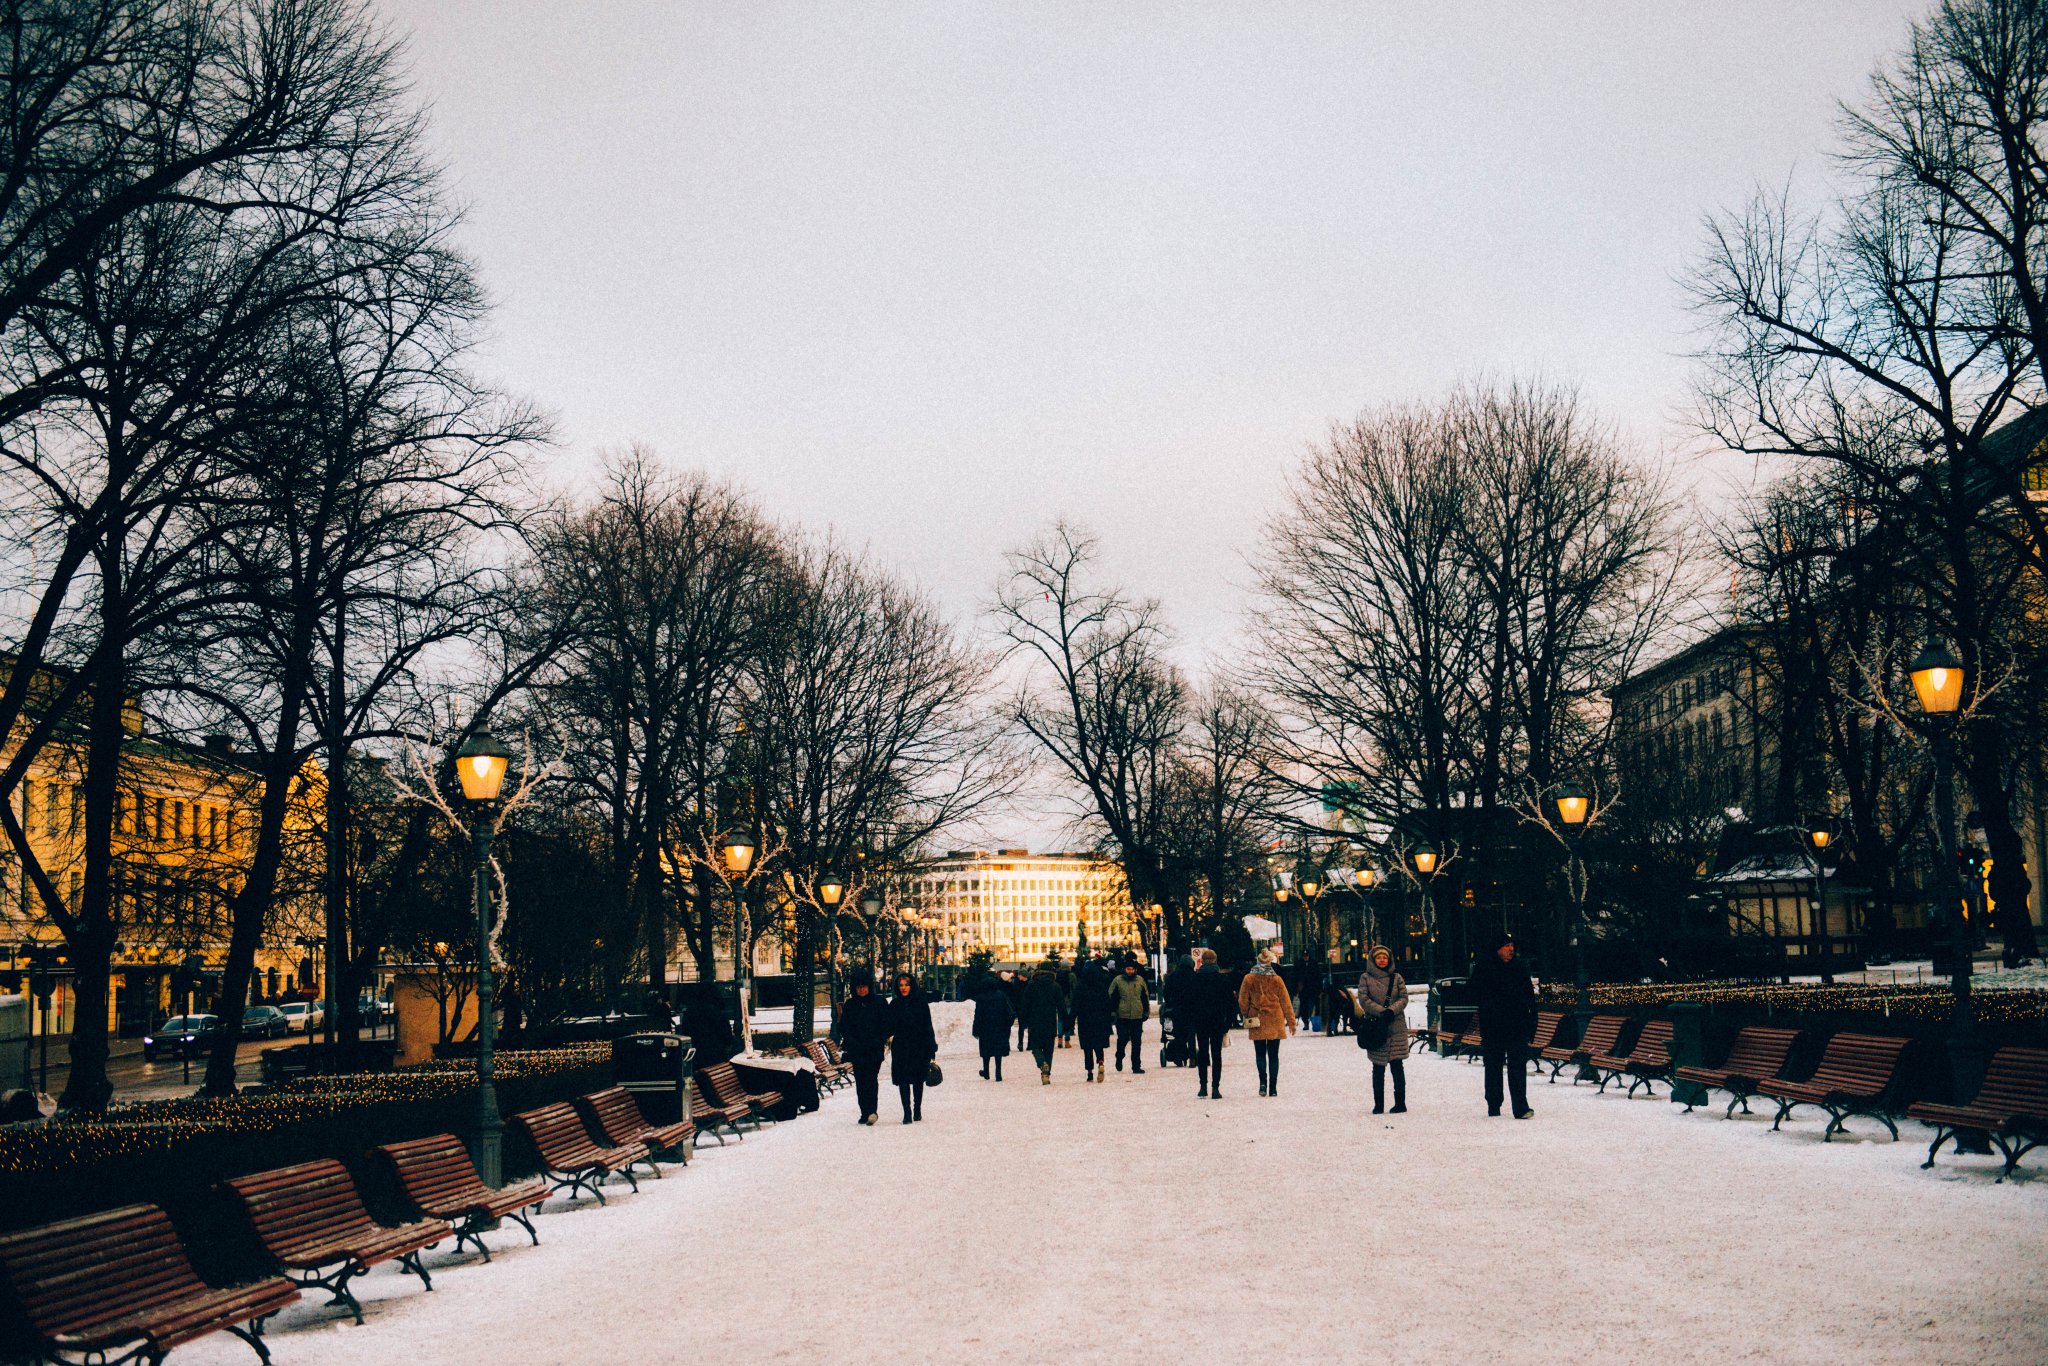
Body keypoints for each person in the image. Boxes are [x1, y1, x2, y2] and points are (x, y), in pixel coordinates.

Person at [1469, 930, 1536, 1119]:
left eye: (1512, 945)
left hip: (1517, 1025)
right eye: (1507, 946)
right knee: (1493, 1066)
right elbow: (1473, 993)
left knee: (1517, 1067)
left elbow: (1529, 996)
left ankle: (1520, 1107)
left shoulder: (1520, 967)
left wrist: (1531, 1022)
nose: (1511, 949)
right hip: (1493, 1026)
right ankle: (1494, 1104)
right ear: (1497, 949)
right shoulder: (1485, 967)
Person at [1357, 944, 1410, 1114]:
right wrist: (1381, 1012)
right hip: (1376, 1027)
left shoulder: (1397, 978)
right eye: (1378, 957)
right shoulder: (1365, 978)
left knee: (1397, 1066)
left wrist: (1392, 1011)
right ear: (1373, 960)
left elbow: (1404, 997)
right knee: (1378, 1067)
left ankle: (1400, 1103)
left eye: (1384, 957)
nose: (1382, 960)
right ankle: (1378, 1104)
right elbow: (1363, 999)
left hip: (1396, 1027)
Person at [1237, 949, 1297, 1097]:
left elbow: (1242, 1000)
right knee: (1274, 1055)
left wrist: (1246, 1014)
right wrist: (1291, 1022)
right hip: (1275, 1019)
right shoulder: (1277, 979)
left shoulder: (1249, 979)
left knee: (1260, 1053)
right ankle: (1274, 1088)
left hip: (1256, 1019)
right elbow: (1286, 1002)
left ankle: (1263, 1083)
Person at [1181, 948, 1236, 1098]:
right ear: (1215, 961)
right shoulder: (1223, 980)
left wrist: (1192, 1020)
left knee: (1203, 1053)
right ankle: (1215, 1088)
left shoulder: (1195, 979)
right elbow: (1232, 1004)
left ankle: (1203, 1086)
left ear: (1202, 962)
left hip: (1201, 1022)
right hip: (1218, 1022)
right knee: (1217, 1054)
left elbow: (1189, 1002)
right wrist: (1228, 1023)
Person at [838, 967, 890, 1125]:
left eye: (864, 986)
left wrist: (878, 1040)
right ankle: (864, 1111)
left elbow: (886, 1025)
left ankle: (872, 1110)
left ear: (869, 986)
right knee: (860, 1081)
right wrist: (853, 1041)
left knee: (871, 1079)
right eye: (858, 987)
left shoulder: (879, 1003)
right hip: (857, 1049)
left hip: (874, 1048)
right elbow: (844, 1028)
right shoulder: (850, 1005)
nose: (861, 989)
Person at [888, 971, 937, 1124]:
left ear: (912, 986)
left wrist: (931, 1045)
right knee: (902, 1080)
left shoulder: (920, 1002)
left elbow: (928, 1025)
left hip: (919, 1046)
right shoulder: (894, 1004)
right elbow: (889, 1026)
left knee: (917, 1079)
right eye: (901, 985)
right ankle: (906, 1112)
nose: (903, 988)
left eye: (906, 985)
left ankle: (917, 1109)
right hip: (901, 1047)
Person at [1073, 954, 1113, 1081]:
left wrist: (1070, 1020)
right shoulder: (1101, 987)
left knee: (1087, 1048)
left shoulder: (1081, 987)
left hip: (1085, 1022)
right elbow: (1108, 1005)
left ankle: (1090, 1072)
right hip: (1100, 1021)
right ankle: (1101, 1062)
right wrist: (1108, 1020)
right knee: (1099, 1045)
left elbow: (1075, 1006)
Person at [1024, 961, 1064, 1084]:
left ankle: (1042, 1063)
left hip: (1035, 1020)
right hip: (1050, 1020)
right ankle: (1046, 1074)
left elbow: (1025, 1004)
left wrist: (1024, 1019)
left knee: (1035, 1046)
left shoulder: (1031, 985)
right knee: (1048, 1049)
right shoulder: (1055, 985)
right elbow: (1061, 1005)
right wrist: (1066, 1020)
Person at [1108, 960, 1150, 1073]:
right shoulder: (1118, 980)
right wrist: (1112, 1011)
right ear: (1124, 969)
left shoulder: (1140, 980)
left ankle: (1136, 1066)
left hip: (1137, 1014)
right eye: (1128, 969)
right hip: (1123, 1015)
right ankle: (1119, 1057)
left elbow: (1145, 996)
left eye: (1132, 969)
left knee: (1136, 1042)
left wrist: (1146, 1011)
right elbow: (1111, 995)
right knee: (1123, 1039)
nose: (1130, 971)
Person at [972, 974, 1013, 1080]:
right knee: (998, 1051)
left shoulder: (981, 997)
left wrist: (976, 1029)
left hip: (985, 1028)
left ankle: (986, 1071)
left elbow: (978, 1015)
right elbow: (1009, 1011)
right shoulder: (1002, 995)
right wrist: (1007, 1025)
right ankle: (998, 1073)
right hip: (999, 1027)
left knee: (986, 1051)